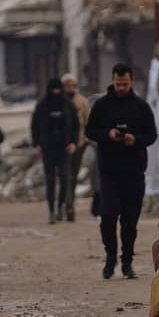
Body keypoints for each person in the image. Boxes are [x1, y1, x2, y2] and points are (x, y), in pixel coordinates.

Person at [86, 63, 158, 279]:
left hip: (134, 171)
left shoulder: (141, 107)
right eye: (118, 84)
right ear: (113, 80)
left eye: (125, 84)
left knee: (130, 221)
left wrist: (135, 139)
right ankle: (110, 257)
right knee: (108, 216)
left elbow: (152, 135)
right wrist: (107, 134)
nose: (121, 88)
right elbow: (90, 130)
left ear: (131, 81)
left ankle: (127, 261)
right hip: (109, 172)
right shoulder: (101, 105)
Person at [31, 78, 80, 224]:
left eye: (58, 89)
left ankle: (60, 207)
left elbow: (76, 126)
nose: (56, 92)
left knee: (65, 179)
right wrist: (36, 143)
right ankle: (52, 211)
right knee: (50, 181)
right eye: (54, 90)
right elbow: (34, 125)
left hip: (64, 148)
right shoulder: (42, 105)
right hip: (48, 149)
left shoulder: (68, 104)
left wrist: (74, 142)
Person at [62, 73, 90, 222]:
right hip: (62, 145)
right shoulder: (59, 101)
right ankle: (66, 204)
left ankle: (69, 203)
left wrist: (86, 140)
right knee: (65, 176)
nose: (70, 88)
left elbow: (87, 122)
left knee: (73, 176)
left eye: (72, 85)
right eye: (67, 85)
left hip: (79, 144)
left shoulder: (82, 102)